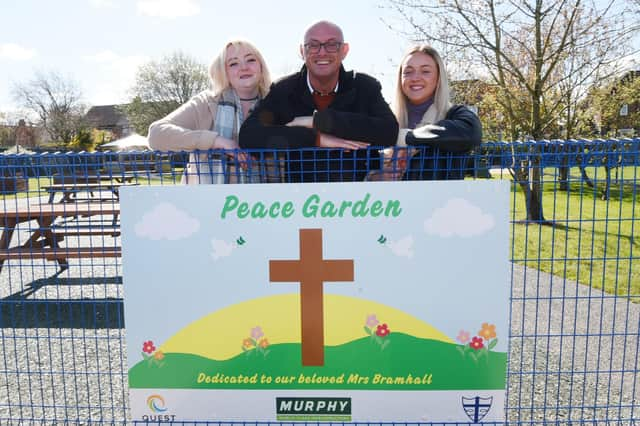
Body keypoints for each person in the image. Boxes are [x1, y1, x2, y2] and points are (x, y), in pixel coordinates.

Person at [239, 20, 398, 182]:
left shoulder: (364, 87)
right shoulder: (284, 90)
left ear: (344, 50)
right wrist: (316, 139)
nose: (322, 52)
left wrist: (317, 121)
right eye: (313, 45)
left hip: (359, 200)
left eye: (331, 44)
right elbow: (250, 135)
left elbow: (389, 131)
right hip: (302, 199)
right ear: (302, 51)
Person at [148, 39, 271, 184]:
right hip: (205, 203)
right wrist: (216, 141)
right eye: (233, 63)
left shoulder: (276, 102)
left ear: (261, 66)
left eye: (250, 60)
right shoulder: (206, 102)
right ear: (224, 72)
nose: (244, 68)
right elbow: (156, 135)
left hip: (263, 204)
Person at [383, 44, 481, 181]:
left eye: (425, 71)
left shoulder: (454, 114)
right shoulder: (384, 118)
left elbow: (471, 134)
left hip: (442, 201)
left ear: (438, 77)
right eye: (408, 71)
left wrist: (406, 137)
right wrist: (376, 176)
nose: (415, 77)